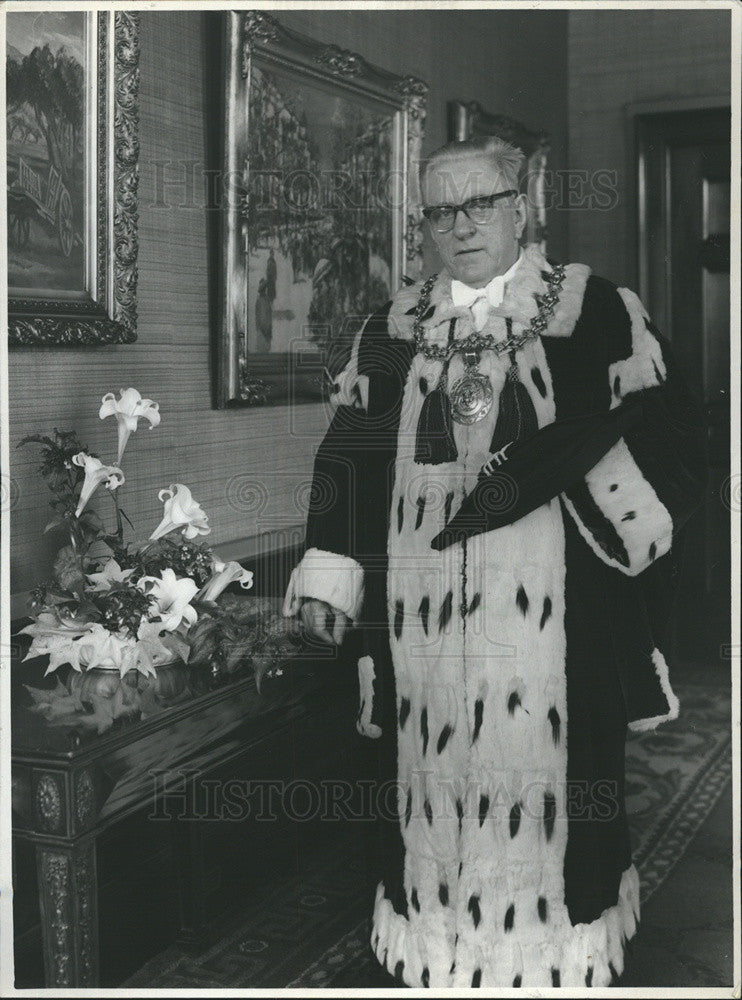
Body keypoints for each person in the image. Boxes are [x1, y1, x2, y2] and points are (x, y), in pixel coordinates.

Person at [283, 135, 707, 988]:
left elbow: (671, 443)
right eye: (442, 209)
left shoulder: (597, 313)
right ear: (425, 225)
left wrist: (578, 488)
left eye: (482, 203)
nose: (462, 224)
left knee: (561, 789)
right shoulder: (387, 332)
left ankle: (556, 948)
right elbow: (347, 466)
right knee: (420, 783)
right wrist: (331, 569)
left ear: (523, 207)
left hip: (562, 624)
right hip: (418, 628)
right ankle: (437, 943)